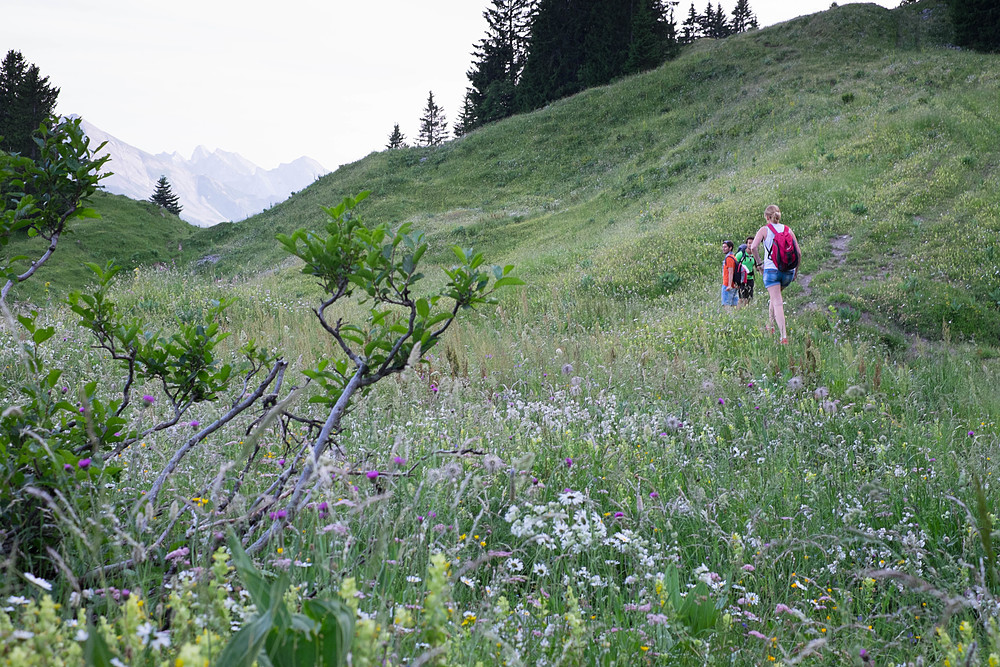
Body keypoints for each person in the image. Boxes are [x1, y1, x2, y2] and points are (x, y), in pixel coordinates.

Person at [750, 205, 801, 344]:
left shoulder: (764, 229)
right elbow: (799, 252)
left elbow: (753, 247)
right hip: (788, 272)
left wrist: (760, 264)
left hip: (772, 271)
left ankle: (783, 336)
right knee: (774, 296)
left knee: (777, 301)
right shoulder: (787, 230)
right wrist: (795, 272)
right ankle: (770, 325)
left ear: (767, 217)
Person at [734, 237, 755, 307]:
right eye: (749, 243)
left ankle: (746, 311)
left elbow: (757, 266)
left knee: (748, 298)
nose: (751, 245)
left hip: (750, 278)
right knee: (741, 298)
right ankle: (738, 312)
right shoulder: (740, 254)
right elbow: (734, 265)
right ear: (746, 244)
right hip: (742, 279)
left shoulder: (754, 255)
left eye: (752, 243)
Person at [721, 240, 738, 308]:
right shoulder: (733, 257)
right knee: (733, 305)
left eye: (725, 247)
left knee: (726, 305)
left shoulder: (729, 258)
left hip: (728, 284)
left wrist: (729, 285)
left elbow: (731, 272)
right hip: (733, 284)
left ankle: (729, 317)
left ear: (730, 248)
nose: (723, 249)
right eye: (723, 247)